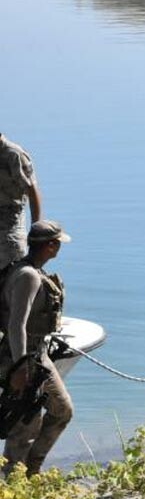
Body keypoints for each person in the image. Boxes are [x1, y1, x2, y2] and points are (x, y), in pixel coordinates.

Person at [0, 220, 71, 476]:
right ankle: (12, 482)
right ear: (50, 246)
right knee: (25, 423)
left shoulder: (33, 270)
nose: (59, 248)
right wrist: (20, 367)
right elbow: (15, 324)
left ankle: (32, 468)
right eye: (58, 244)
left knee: (62, 410)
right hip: (23, 357)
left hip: (39, 355)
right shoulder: (27, 276)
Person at [0, 134, 43, 267]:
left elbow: (32, 191)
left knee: (15, 280)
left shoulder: (14, 154)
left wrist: (37, 233)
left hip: (9, 236)